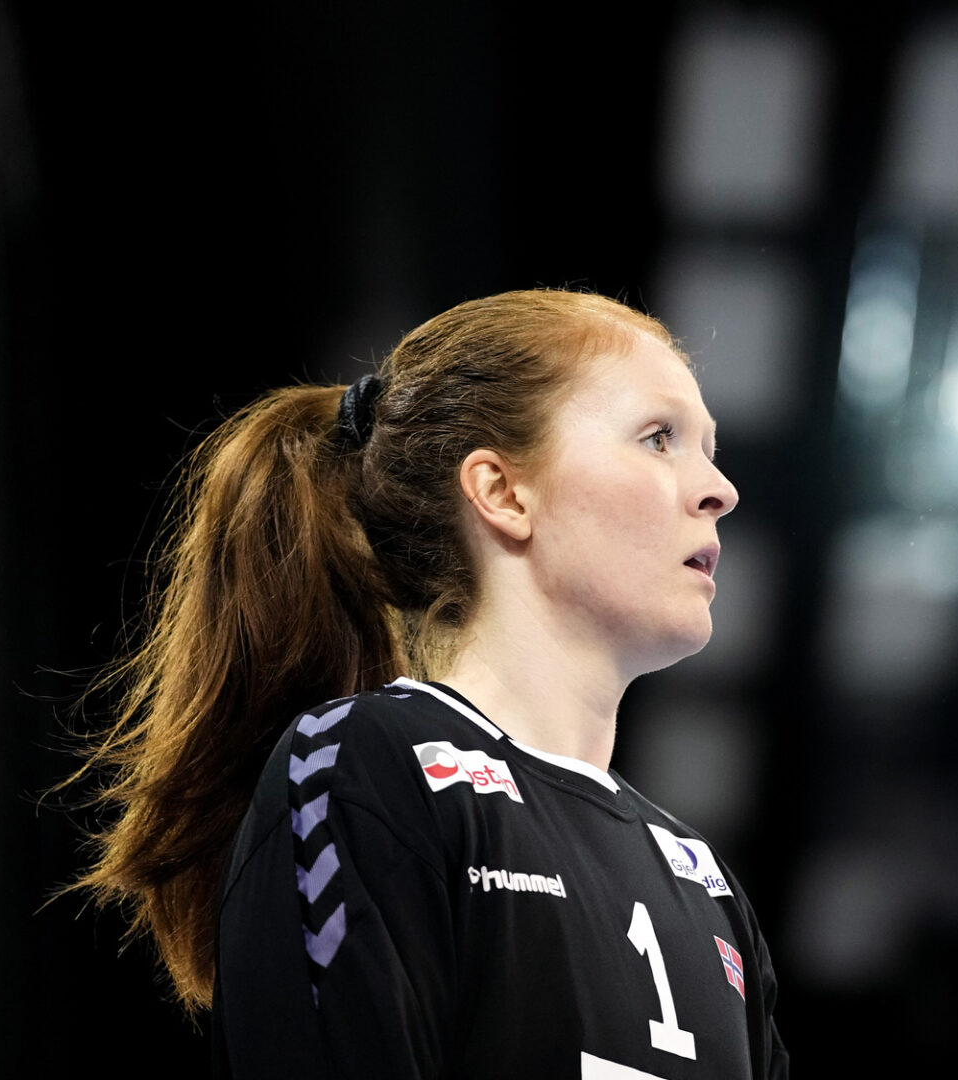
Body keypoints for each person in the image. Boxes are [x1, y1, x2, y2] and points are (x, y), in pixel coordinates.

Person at [67, 289, 788, 1078]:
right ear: (502, 492)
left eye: (708, 448)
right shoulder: (374, 764)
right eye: (659, 438)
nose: (720, 489)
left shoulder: (704, 883)